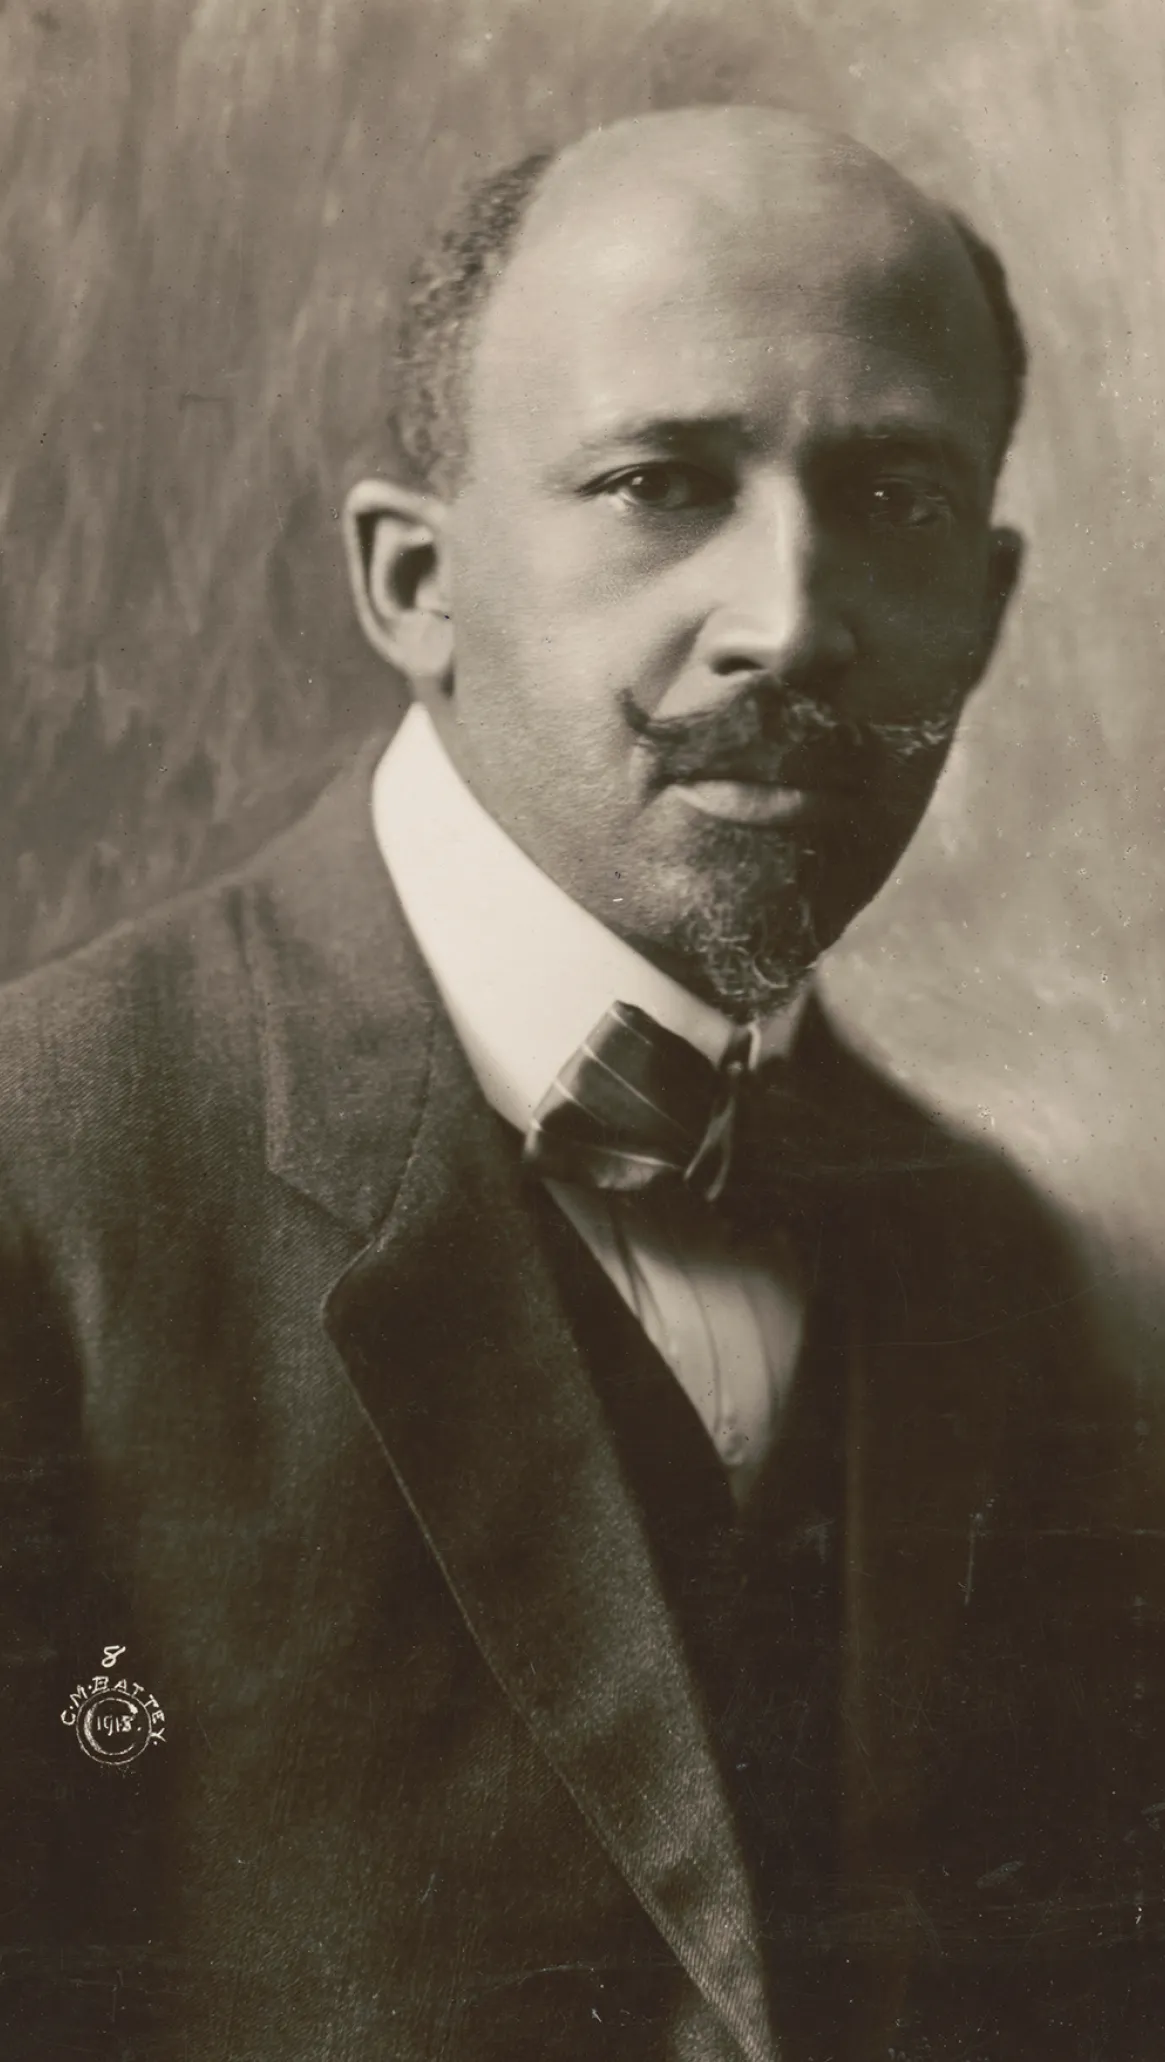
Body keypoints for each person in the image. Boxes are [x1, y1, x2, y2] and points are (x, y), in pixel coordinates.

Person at [0, 105, 1160, 2062]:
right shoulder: (40, 1189)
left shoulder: (1020, 1285)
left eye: (891, 499)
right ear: (413, 582)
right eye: (660, 482)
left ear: (988, 600)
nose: (789, 616)